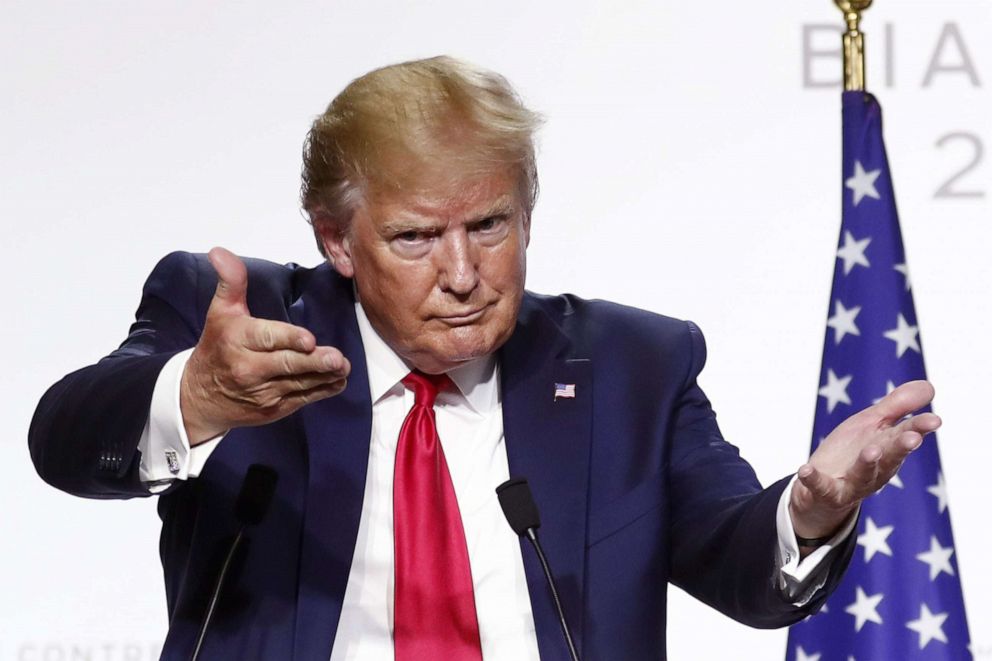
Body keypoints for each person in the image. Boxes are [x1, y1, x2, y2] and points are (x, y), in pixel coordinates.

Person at [29, 56, 939, 660]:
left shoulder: (632, 366)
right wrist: (195, 398)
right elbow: (64, 440)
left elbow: (743, 569)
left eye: (490, 225)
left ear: (528, 213)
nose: (463, 274)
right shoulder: (246, 326)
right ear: (337, 240)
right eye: (417, 236)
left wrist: (811, 510)